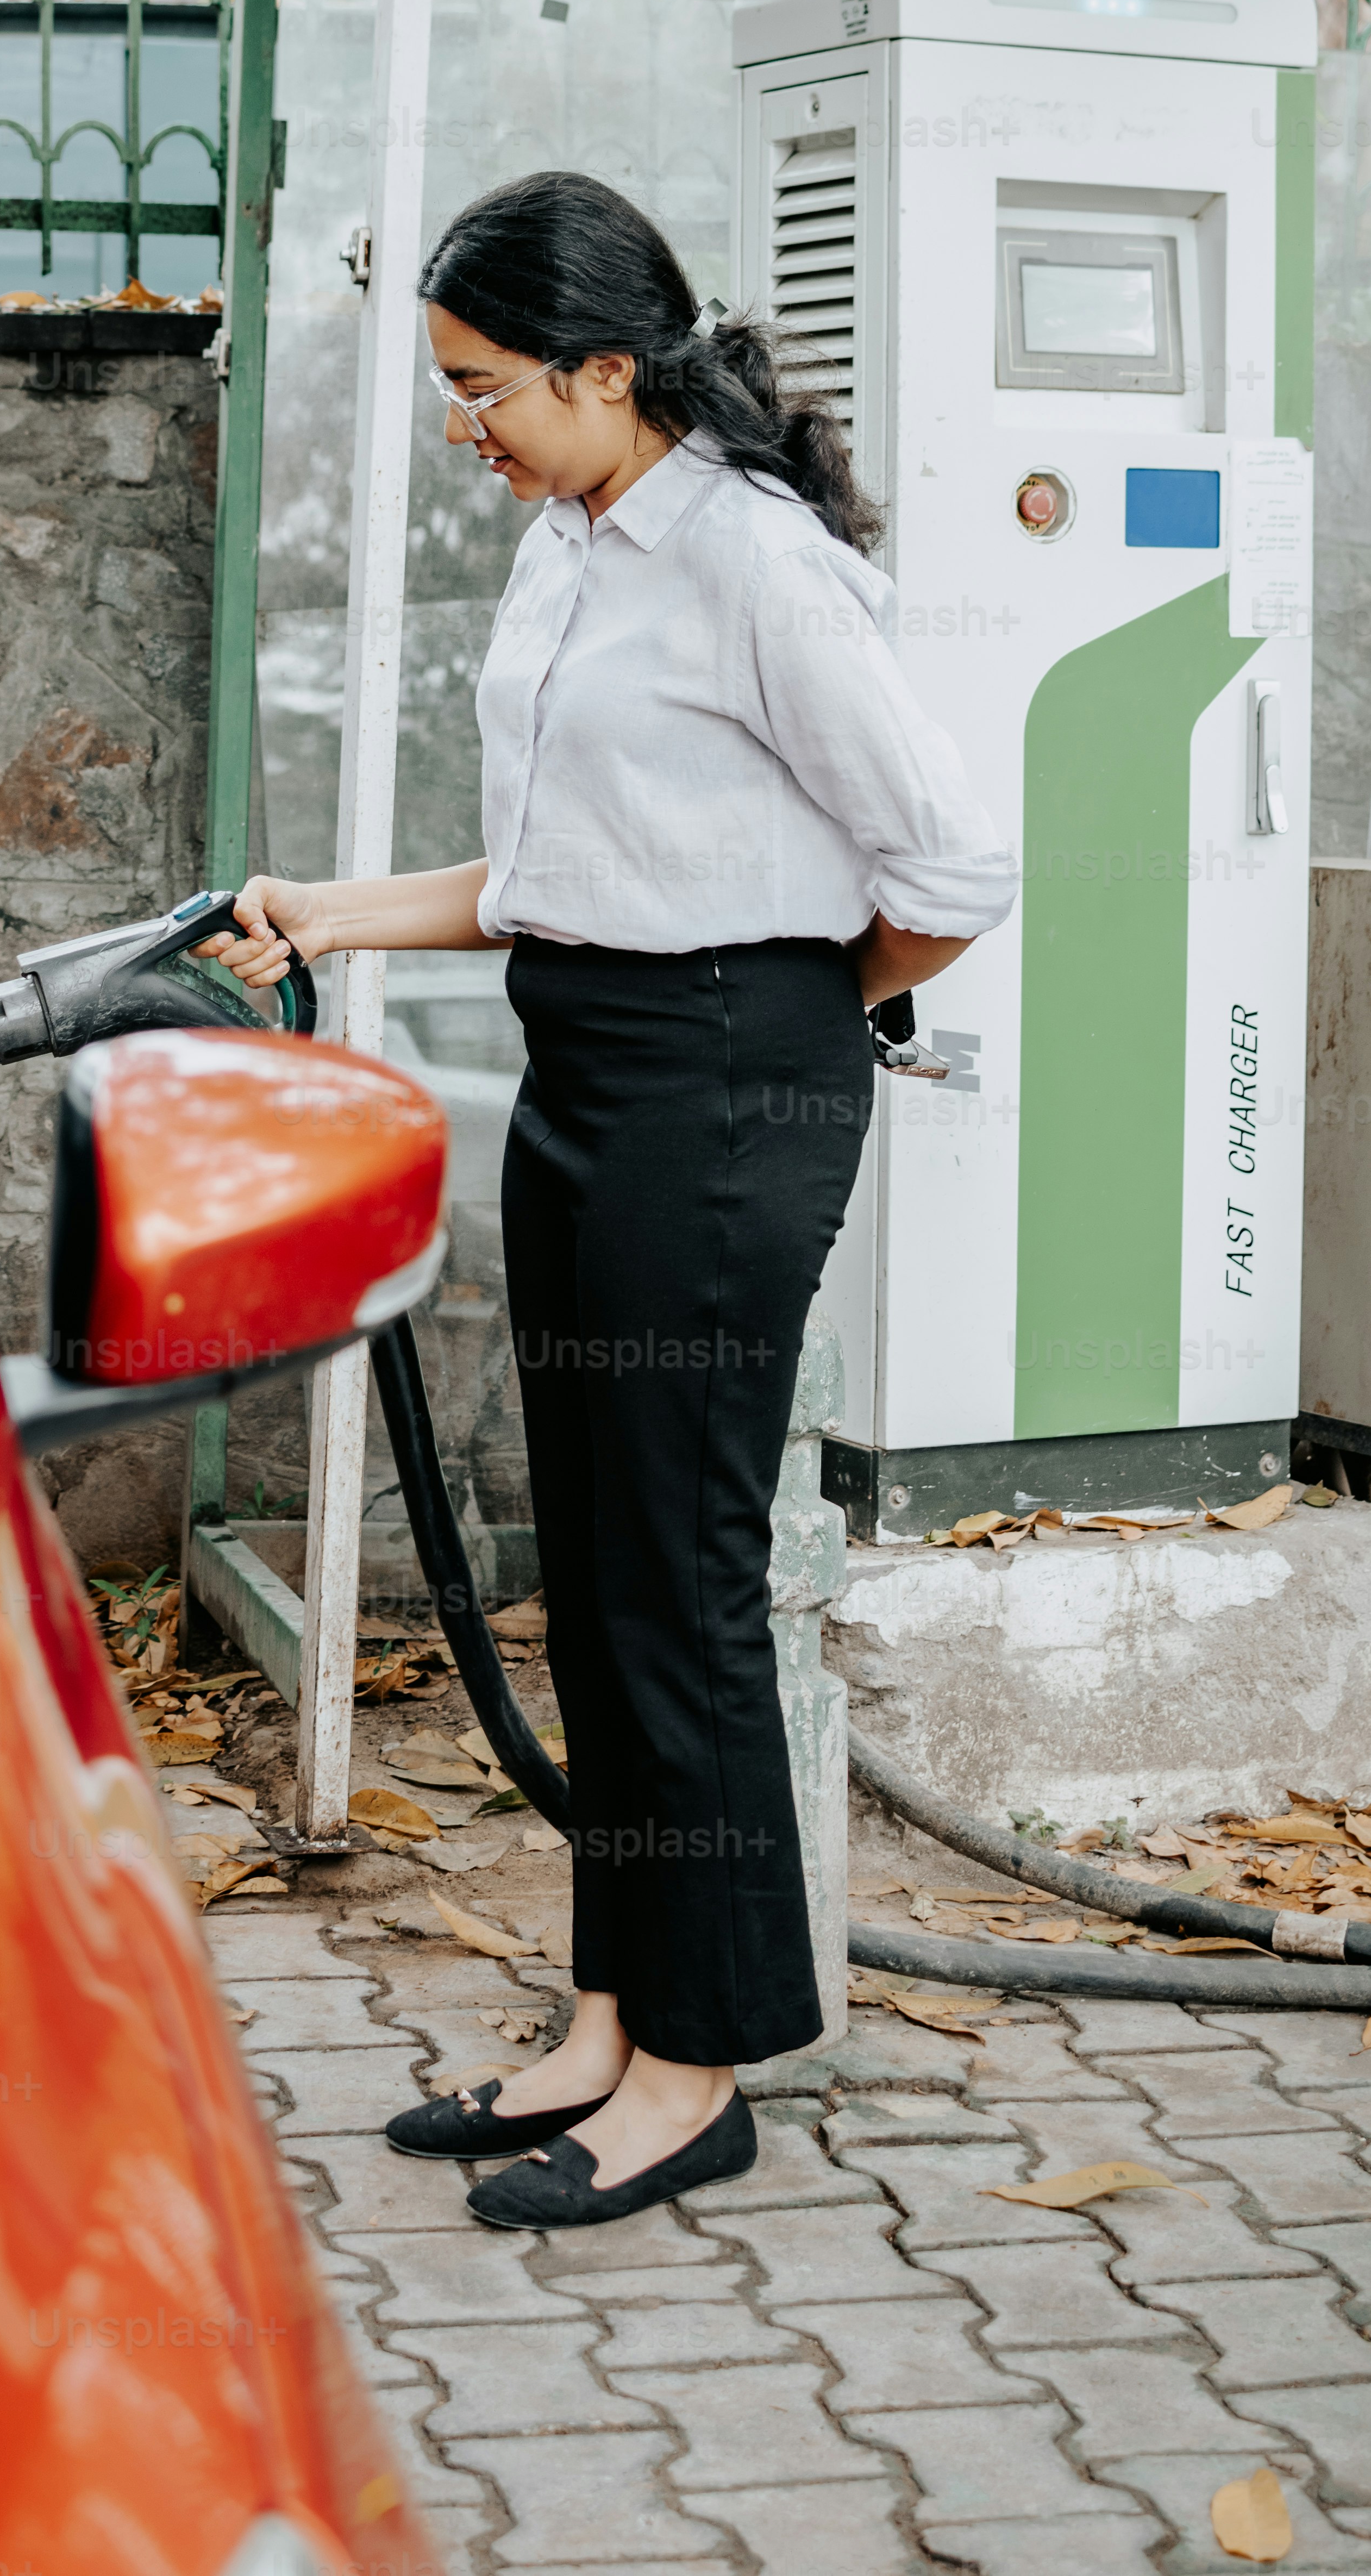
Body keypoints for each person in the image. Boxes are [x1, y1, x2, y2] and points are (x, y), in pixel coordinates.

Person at [198, 170, 1016, 2229]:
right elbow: (553, 880)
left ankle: (702, 2068)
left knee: (684, 1583)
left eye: (486, 388)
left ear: (604, 369)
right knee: (601, 1562)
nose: (464, 424)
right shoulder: (570, 550)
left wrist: (784, 1018)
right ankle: (606, 2018)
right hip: (595, 1077)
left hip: (724, 1096)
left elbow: (949, 872)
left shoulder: (755, 566)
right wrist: (325, 910)